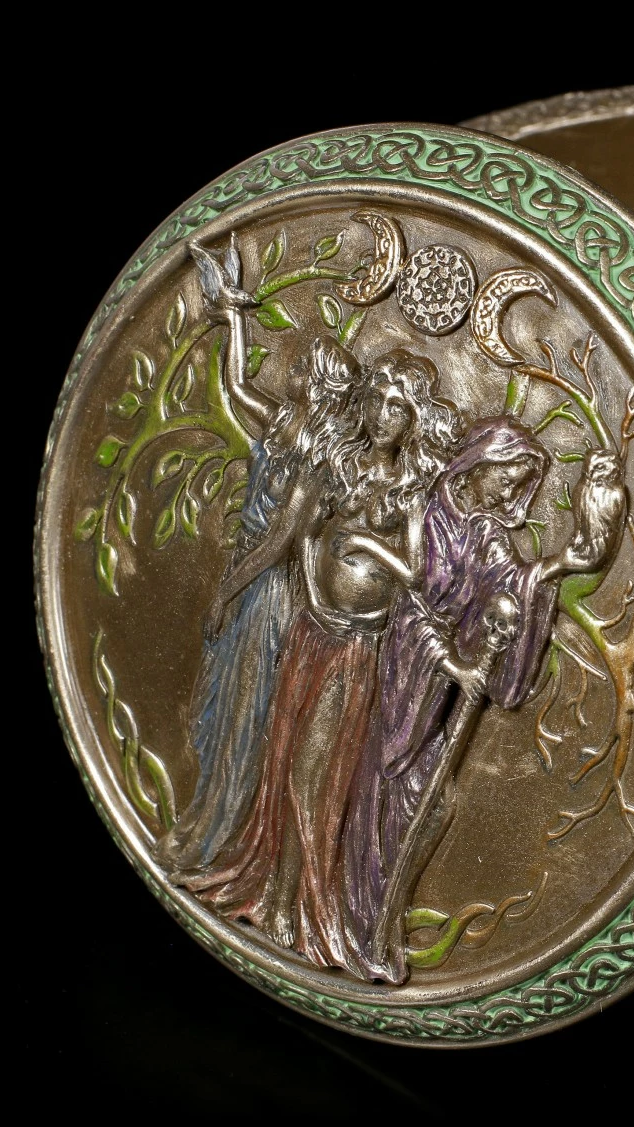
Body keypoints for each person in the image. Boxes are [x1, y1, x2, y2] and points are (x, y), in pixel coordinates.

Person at [181, 343, 461, 972]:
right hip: (312, 633)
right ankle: (272, 896)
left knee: (314, 774)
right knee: (284, 760)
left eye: (400, 407)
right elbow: (293, 533)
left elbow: (416, 572)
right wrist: (295, 588)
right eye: (379, 399)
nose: (385, 414)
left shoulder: (410, 490)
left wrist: (363, 543)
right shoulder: (335, 461)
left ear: (414, 420)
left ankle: (293, 905)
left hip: (356, 650)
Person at [343, 416, 624, 982]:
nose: (507, 493)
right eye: (505, 478)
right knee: (399, 790)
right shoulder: (427, 510)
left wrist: (567, 561)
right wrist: (451, 662)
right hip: (405, 673)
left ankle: (382, 918)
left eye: (517, 484)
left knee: (434, 802)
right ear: (479, 465)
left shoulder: (486, 532)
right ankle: (362, 914)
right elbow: (414, 603)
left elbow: (515, 579)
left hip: (442, 684)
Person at [156, 245, 331, 873]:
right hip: (243, 574)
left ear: (321, 389)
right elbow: (234, 387)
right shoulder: (281, 425)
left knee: (244, 717)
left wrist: (227, 591)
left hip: (268, 592)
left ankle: (218, 836)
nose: (294, 371)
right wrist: (232, 318)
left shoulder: (314, 462)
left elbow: (281, 542)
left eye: (305, 369)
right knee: (221, 705)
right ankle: (202, 818)